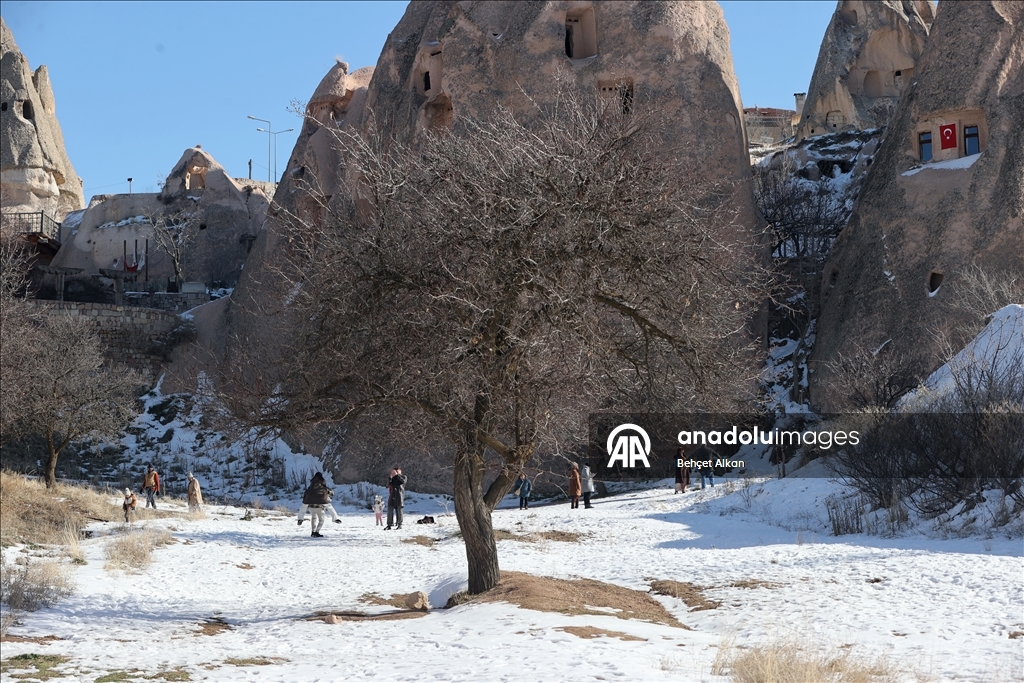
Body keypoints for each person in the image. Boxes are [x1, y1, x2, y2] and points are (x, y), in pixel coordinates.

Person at [298, 472, 333, 538]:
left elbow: (305, 495)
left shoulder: (311, 487)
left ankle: (313, 532)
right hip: (320, 506)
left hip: (311, 506)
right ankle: (317, 532)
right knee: (321, 520)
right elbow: (330, 493)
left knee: (313, 518)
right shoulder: (322, 486)